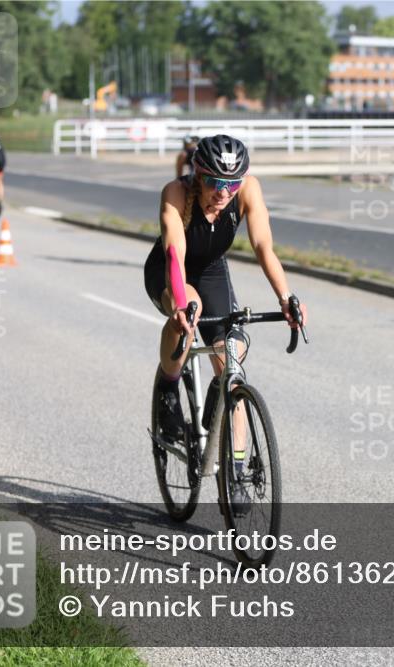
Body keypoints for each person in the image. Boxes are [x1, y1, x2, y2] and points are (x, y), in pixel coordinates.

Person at [143, 134, 307, 507]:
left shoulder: (248, 189)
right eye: (214, 182)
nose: (223, 192)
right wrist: (180, 303)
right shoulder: (176, 193)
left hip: (212, 270)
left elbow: (263, 246)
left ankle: (236, 469)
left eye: (231, 184)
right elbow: (175, 253)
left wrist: (286, 298)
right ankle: (169, 386)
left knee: (231, 354)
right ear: (198, 175)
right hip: (171, 271)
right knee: (190, 310)